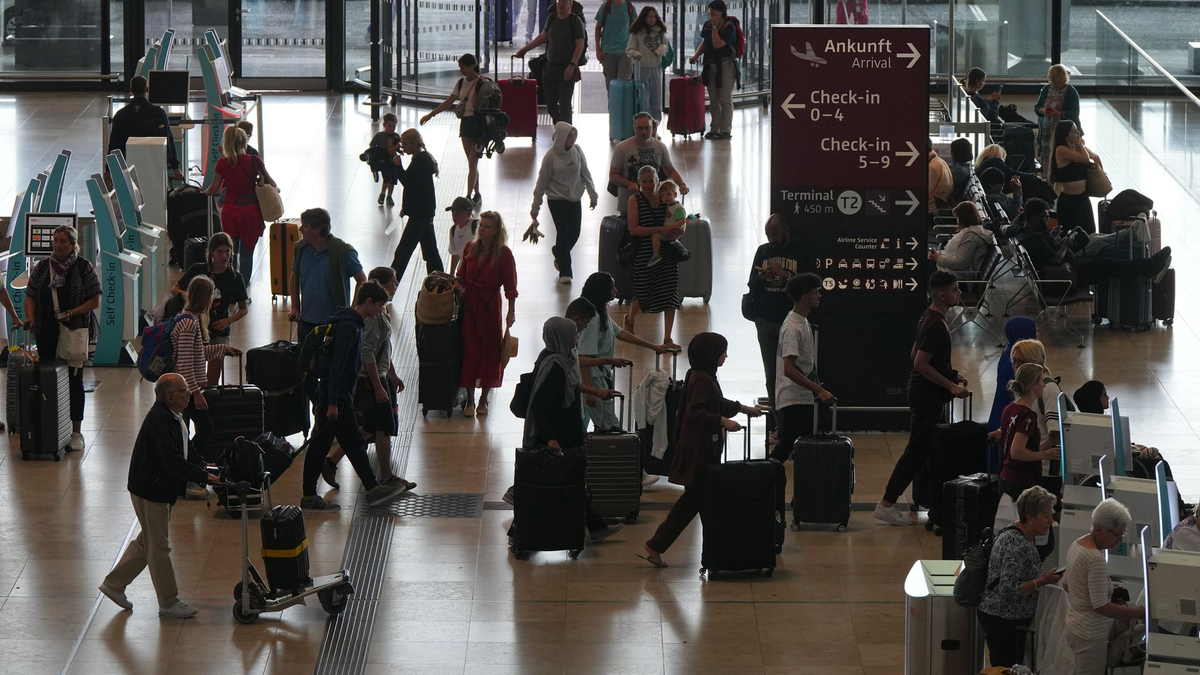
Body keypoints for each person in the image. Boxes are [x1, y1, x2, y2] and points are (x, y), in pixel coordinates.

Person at [98, 374, 218, 619]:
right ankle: (169, 602)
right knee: (159, 547)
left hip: (160, 488)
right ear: (169, 396)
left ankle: (114, 584)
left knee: (148, 541)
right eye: (184, 391)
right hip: (150, 490)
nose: (188, 395)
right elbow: (172, 460)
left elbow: (185, 446)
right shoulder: (160, 420)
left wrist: (202, 465)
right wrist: (202, 476)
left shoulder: (175, 415)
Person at [638, 333, 761, 567]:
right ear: (710, 354)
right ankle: (658, 544)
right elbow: (697, 411)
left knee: (698, 501)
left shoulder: (698, 373)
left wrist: (742, 408)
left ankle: (709, 552)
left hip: (696, 447)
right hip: (699, 450)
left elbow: (714, 403)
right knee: (695, 501)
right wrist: (723, 421)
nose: (726, 355)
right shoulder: (703, 379)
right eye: (722, 351)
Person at [515, 317, 624, 542]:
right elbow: (540, 406)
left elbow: (572, 387)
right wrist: (551, 439)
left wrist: (595, 392)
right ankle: (594, 526)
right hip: (558, 435)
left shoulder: (564, 357)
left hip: (567, 430)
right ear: (561, 336)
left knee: (566, 482)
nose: (577, 337)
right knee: (566, 482)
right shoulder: (553, 365)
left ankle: (594, 525)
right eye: (574, 334)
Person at [300, 282, 405, 512]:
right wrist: (332, 403)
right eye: (379, 305)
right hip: (335, 400)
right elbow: (337, 367)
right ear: (368, 301)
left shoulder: (351, 323)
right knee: (318, 447)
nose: (380, 310)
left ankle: (372, 488)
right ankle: (308, 497)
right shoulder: (349, 327)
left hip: (341, 398)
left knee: (355, 445)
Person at [875, 271, 969, 526]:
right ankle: (887, 503)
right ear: (942, 294)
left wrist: (951, 373)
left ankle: (925, 499)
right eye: (955, 290)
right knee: (917, 450)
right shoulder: (937, 324)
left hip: (924, 392)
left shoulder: (929, 317)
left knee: (925, 447)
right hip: (927, 395)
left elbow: (916, 352)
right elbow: (919, 362)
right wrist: (950, 385)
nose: (959, 293)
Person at [323, 267, 416, 492]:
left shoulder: (379, 311)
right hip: (370, 379)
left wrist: (391, 373)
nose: (396, 284)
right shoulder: (372, 316)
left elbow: (382, 347)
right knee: (382, 427)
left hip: (379, 375)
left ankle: (331, 462)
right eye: (393, 281)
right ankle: (386, 476)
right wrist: (378, 386)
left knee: (369, 427)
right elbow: (367, 352)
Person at [23, 224, 101, 453]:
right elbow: (30, 296)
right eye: (55, 240)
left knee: (74, 382)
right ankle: (52, 426)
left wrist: (70, 313)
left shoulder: (84, 268)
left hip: (75, 331)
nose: (58, 245)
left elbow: (94, 301)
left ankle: (76, 432)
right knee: (47, 379)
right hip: (46, 332)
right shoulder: (42, 268)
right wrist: (31, 319)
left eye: (63, 241)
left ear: (72, 244)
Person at [1073, 380, 1193, 518]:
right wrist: (1138, 454)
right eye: (1104, 395)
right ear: (1095, 400)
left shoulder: (1089, 421)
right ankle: (1178, 508)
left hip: (1119, 460)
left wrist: (1135, 449)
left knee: (1156, 457)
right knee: (1161, 464)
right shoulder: (1100, 426)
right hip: (1122, 466)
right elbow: (1113, 452)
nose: (1107, 397)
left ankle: (1179, 504)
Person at [976, 486, 1064, 668]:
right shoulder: (1015, 544)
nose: (1051, 520)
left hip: (1009, 619)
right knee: (1005, 668)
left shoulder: (1026, 536)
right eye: (1046, 516)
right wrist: (1043, 581)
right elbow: (1009, 590)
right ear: (1030, 517)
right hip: (1002, 620)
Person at [170, 275, 240, 497]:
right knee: (206, 428)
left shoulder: (189, 319)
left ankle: (186, 474)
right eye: (212, 295)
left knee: (187, 433)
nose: (214, 300)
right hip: (185, 390)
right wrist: (196, 393)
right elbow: (184, 363)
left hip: (184, 389)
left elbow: (197, 354)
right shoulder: (190, 323)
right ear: (205, 297)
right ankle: (188, 474)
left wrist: (222, 350)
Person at [578, 272, 667, 436]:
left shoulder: (600, 313)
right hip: (593, 379)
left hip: (599, 377)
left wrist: (652, 346)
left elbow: (620, 333)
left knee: (583, 423)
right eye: (612, 287)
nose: (616, 291)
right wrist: (590, 390)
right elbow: (584, 357)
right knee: (610, 426)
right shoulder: (594, 319)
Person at [1064, 499, 1144, 675]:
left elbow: (1067, 584)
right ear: (1100, 528)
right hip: (1090, 634)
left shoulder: (1078, 544)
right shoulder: (1095, 558)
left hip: (1075, 626)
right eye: (1117, 535)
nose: (1120, 540)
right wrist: (1137, 613)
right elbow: (1101, 606)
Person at [1015, 197, 1172, 287]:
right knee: (1111, 264)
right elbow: (1055, 260)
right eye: (1045, 217)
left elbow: (1047, 254)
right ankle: (1149, 266)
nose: (1047, 220)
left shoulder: (1026, 232)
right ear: (1035, 218)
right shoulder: (1034, 238)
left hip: (1071, 269)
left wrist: (1054, 238)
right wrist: (1065, 244)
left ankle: (1149, 266)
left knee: (1110, 262)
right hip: (1068, 276)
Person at [746, 214, 809, 419]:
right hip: (765, 320)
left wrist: (786, 275)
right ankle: (777, 422)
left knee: (792, 373)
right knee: (771, 375)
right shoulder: (763, 251)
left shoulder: (801, 251)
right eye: (767, 235)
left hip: (790, 323)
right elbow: (751, 285)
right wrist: (762, 278)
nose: (771, 239)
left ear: (786, 231)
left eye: (774, 235)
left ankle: (792, 420)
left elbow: (807, 288)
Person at [768, 273, 834, 464]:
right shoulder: (793, 327)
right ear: (805, 297)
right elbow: (789, 369)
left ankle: (763, 480)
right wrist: (819, 390)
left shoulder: (800, 320)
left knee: (788, 446)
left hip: (797, 398)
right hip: (794, 400)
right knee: (805, 449)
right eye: (816, 292)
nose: (819, 296)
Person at [457, 211, 518, 417]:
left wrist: (511, 311)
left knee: (490, 353)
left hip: (491, 308)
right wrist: (456, 285)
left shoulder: (504, 254)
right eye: (481, 225)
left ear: (496, 231)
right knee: (470, 351)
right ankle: (470, 400)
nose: (481, 229)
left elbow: (510, 286)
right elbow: (461, 274)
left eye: (487, 226)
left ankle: (484, 399)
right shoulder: (469, 248)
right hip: (471, 306)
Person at [171, 232, 248, 387]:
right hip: (195, 326)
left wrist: (228, 321)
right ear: (211, 252)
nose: (224, 256)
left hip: (219, 329)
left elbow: (243, 308)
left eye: (227, 251)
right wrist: (192, 297)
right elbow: (175, 289)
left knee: (212, 377)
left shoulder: (235, 277)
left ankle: (208, 399)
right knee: (190, 370)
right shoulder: (198, 270)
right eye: (220, 251)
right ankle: (193, 397)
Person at [203, 125, 277, 285]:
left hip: (230, 211)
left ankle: (230, 282)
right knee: (247, 251)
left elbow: (214, 188)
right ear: (245, 143)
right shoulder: (254, 161)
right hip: (250, 211)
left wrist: (203, 192)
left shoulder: (223, 163)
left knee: (230, 250)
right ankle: (242, 285)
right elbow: (272, 183)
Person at [624, 165, 685, 349]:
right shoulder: (635, 200)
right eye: (645, 182)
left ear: (657, 180)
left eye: (652, 181)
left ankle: (667, 337)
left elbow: (678, 214)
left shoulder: (665, 197)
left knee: (670, 292)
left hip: (666, 249)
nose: (649, 185)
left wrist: (678, 229)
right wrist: (660, 230)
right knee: (642, 289)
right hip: (644, 250)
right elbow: (633, 229)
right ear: (639, 183)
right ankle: (631, 318)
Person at [530, 121, 598, 284]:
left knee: (575, 232)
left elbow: (586, 174)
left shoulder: (578, 151)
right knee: (563, 232)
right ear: (561, 137)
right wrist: (535, 206)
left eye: (574, 134)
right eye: (569, 135)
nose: (573, 138)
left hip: (574, 198)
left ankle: (559, 251)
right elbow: (542, 182)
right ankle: (565, 272)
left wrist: (592, 194)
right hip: (556, 199)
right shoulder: (550, 157)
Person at [419, 54, 485, 206]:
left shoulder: (482, 83)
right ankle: (477, 194)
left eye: (463, 67)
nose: (461, 70)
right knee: (471, 162)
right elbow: (449, 101)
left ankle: (469, 196)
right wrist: (432, 114)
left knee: (473, 162)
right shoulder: (461, 82)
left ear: (472, 66)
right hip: (466, 123)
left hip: (478, 124)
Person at [515, 0, 586, 125]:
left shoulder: (575, 22)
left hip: (567, 68)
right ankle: (560, 128)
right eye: (559, 1)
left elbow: (579, 46)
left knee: (564, 104)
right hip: (550, 68)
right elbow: (543, 36)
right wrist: (524, 50)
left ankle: (567, 135)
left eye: (564, 2)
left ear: (570, 5)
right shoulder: (552, 18)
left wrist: (572, 65)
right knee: (551, 105)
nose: (560, 4)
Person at [997, 363, 1059, 502]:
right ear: (1033, 384)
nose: (1044, 385)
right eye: (1042, 381)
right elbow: (1017, 452)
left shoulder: (1010, 408)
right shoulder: (1028, 416)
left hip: (1006, 477)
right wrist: (1045, 454)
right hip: (1021, 481)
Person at [390, 128, 445, 283]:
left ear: (414, 144)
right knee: (430, 252)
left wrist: (398, 166)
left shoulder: (420, 162)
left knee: (403, 252)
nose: (403, 147)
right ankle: (440, 283)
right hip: (424, 212)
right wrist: (406, 207)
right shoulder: (422, 159)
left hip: (420, 214)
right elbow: (417, 188)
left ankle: (388, 288)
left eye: (406, 144)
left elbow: (409, 182)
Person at [608, 112, 688, 215]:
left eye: (647, 128)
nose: (644, 131)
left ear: (653, 129)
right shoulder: (621, 148)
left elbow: (670, 170)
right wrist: (629, 184)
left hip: (655, 202)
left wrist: (681, 184)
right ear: (634, 128)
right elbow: (613, 175)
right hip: (628, 203)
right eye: (640, 128)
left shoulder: (660, 147)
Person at [107, 75, 182, 180]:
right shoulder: (158, 113)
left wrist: (108, 169)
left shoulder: (121, 114)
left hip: (128, 164)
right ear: (147, 90)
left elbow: (114, 143)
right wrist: (176, 168)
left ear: (131, 90)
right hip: (155, 162)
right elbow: (169, 139)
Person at [688, 0, 736, 140]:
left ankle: (725, 129)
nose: (712, 14)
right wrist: (696, 56)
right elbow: (706, 43)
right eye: (710, 11)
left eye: (715, 11)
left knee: (724, 98)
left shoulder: (729, 27)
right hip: (711, 65)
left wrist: (715, 28)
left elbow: (717, 44)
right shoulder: (707, 25)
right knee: (714, 99)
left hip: (726, 65)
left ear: (722, 12)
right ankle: (714, 128)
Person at [1048, 120, 1099, 234]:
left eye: (1077, 131)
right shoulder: (1061, 150)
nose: (1078, 134)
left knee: (1090, 231)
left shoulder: (1078, 149)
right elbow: (1085, 159)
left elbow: (1095, 157)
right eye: (1074, 132)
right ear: (1066, 136)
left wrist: (1100, 173)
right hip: (1070, 200)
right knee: (1071, 232)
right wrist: (1081, 144)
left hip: (1083, 197)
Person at [987, 317, 1038, 433]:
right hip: (1007, 423)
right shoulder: (1017, 364)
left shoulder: (1009, 353)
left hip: (1000, 415)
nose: (1037, 335)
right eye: (1034, 331)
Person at [625, 6, 670, 123]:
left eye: (654, 16)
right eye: (650, 16)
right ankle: (645, 123)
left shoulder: (659, 31)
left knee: (656, 97)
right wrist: (635, 53)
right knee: (644, 97)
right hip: (642, 67)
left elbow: (666, 46)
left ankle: (655, 124)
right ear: (644, 17)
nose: (652, 19)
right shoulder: (637, 33)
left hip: (656, 66)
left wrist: (661, 49)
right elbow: (629, 49)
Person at [1036, 64, 1082, 174]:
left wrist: (1060, 114)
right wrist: (1042, 110)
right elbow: (1037, 107)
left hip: (1064, 132)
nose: (1056, 84)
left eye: (1058, 82)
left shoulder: (1071, 91)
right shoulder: (1046, 89)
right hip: (1047, 131)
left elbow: (1074, 113)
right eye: (1053, 81)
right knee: (1046, 157)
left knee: (1062, 157)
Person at [931, 201, 993, 273]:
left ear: (963, 218)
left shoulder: (972, 237)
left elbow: (960, 263)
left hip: (954, 274)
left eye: (958, 217)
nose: (957, 221)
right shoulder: (974, 231)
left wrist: (938, 259)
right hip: (949, 268)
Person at [594, 0, 636, 92]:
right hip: (609, 53)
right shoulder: (605, 7)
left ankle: (622, 106)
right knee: (611, 87)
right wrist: (598, 49)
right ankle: (613, 106)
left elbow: (634, 30)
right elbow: (598, 27)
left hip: (625, 53)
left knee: (623, 86)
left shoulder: (630, 8)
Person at [647, 179, 686, 268]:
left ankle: (656, 255)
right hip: (669, 229)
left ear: (675, 194)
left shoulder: (677, 207)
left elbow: (682, 220)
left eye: (668, 194)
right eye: (663, 195)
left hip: (672, 230)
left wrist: (673, 226)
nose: (665, 197)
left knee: (655, 236)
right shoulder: (670, 205)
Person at [368, 112, 402, 206]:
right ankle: (383, 193)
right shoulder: (379, 136)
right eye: (389, 126)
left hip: (393, 160)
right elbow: (372, 146)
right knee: (387, 178)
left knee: (393, 179)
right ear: (384, 125)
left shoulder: (396, 136)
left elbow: (399, 147)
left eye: (393, 126)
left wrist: (399, 149)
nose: (391, 128)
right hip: (384, 161)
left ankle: (389, 196)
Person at [446, 196, 478, 276]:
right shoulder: (453, 230)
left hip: (477, 271)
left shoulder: (477, 226)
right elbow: (455, 253)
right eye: (453, 213)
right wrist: (451, 274)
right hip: (462, 272)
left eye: (458, 213)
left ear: (469, 214)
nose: (454, 216)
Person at [928, 139, 954, 214]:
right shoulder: (939, 161)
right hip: (942, 204)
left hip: (933, 210)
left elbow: (925, 192)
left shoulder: (932, 167)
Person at [948, 138, 974, 202]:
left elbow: (945, 186)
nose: (950, 153)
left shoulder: (959, 171)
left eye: (951, 151)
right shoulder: (965, 168)